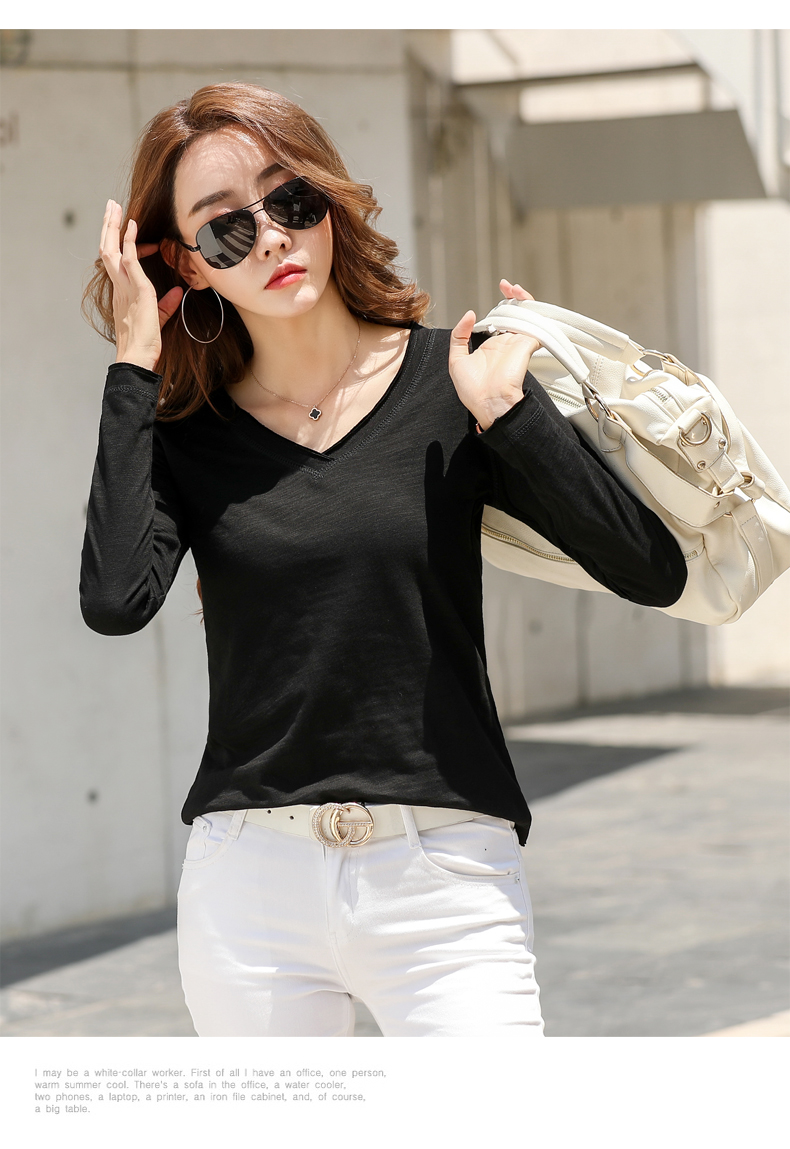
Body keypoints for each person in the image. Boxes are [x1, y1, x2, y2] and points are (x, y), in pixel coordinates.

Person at [80, 82, 687, 1038]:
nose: (271, 237)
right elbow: (116, 599)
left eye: (289, 200)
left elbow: (653, 570)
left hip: (444, 874)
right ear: (188, 266)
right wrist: (132, 366)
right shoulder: (188, 438)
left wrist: (513, 417)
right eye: (226, 228)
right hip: (251, 884)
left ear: (325, 203)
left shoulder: (458, 380)